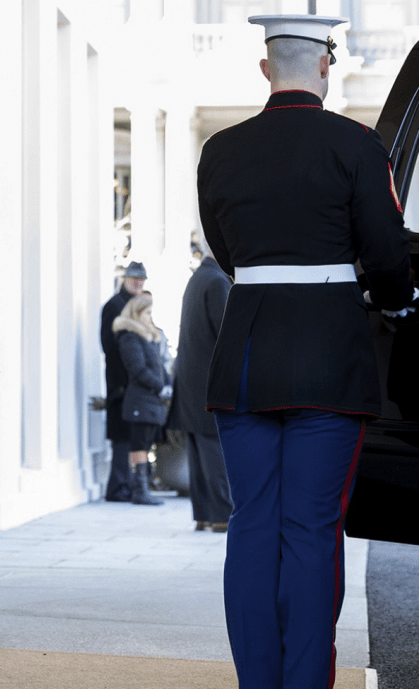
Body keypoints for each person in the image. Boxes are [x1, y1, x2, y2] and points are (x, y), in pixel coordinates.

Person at [197, 14, 416, 688]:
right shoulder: (355, 147)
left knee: (253, 527)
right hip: (328, 362)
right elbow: (386, 260)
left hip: (246, 359)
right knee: (312, 531)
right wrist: (398, 298)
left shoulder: (221, 151)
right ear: (326, 65)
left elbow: (227, 254)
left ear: (266, 68)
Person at [168, 247, 233, 532]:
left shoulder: (198, 278)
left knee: (199, 453)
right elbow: (227, 333)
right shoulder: (218, 282)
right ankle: (220, 516)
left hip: (190, 384)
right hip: (208, 384)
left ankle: (204, 514)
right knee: (214, 452)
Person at [113, 293, 170, 506]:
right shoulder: (129, 336)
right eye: (146, 313)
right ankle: (140, 490)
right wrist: (160, 385)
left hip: (150, 401)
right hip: (139, 401)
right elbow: (137, 368)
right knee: (139, 445)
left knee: (145, 445)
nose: (149, 317)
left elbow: (158, 367)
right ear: (136, 313)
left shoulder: (147, 337)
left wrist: (169, 382)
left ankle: (142, 489)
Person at [100, 261, 147, 502]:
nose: (138, 283)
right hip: (120, 384)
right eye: (134, 279)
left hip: (131, 384)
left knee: (129, 436)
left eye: (141, 280)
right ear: (125, 279)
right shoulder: (114, 305)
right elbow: (109, 347)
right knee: (121, 436)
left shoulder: (133, 306)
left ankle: (123, 486)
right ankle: (118, 488)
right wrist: (121, 384)